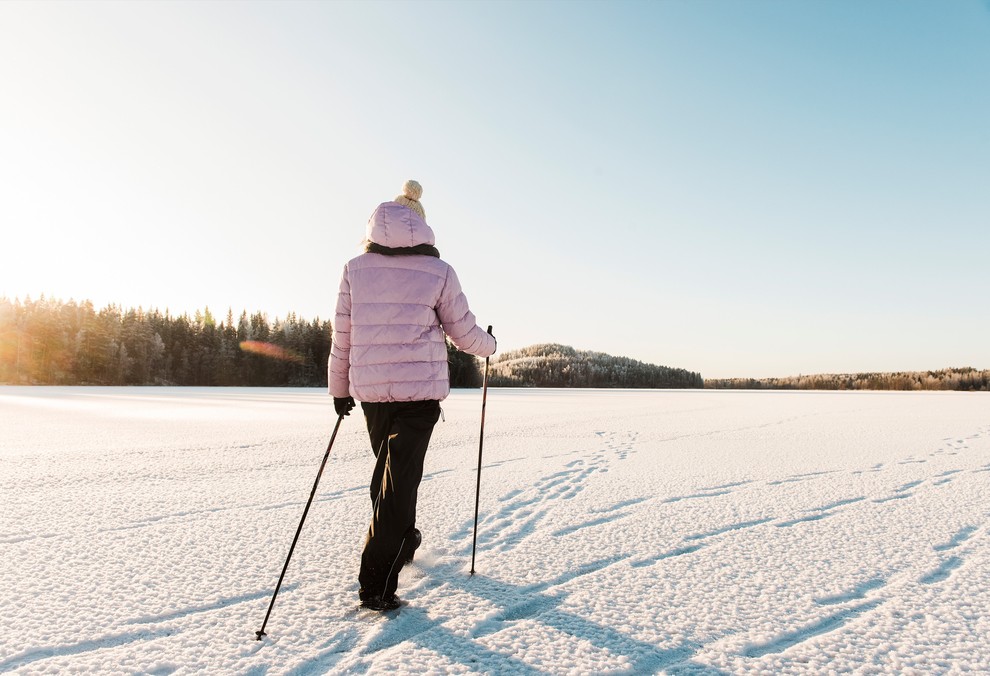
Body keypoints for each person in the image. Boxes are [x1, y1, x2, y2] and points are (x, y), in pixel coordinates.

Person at [328, 180, 496, 611]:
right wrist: (490, 346)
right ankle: (376, 583)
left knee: (391, 476)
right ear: (421, 227)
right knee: (398, 481)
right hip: (419, 396)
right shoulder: (439, 272)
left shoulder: (355, 269)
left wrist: (339, 389)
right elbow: (464, 332)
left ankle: (402, 542)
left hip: (372, 395)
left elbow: (342, 336)